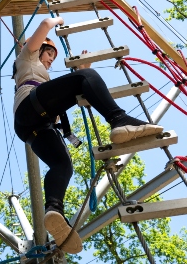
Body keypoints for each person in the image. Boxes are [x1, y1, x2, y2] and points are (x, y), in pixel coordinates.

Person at [13, 17, 163, 253]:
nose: (51, 59)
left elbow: (62, 95)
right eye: (48, 53)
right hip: (31, 107)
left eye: (53, 55)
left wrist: (81, 74)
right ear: (37, 49)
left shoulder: (42, 75)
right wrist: (55, 20)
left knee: (63, 165)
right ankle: (119, 119)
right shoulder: (26, 57)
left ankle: (54, 210)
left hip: (31, 126)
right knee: (87, 77)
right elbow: (42, 26)